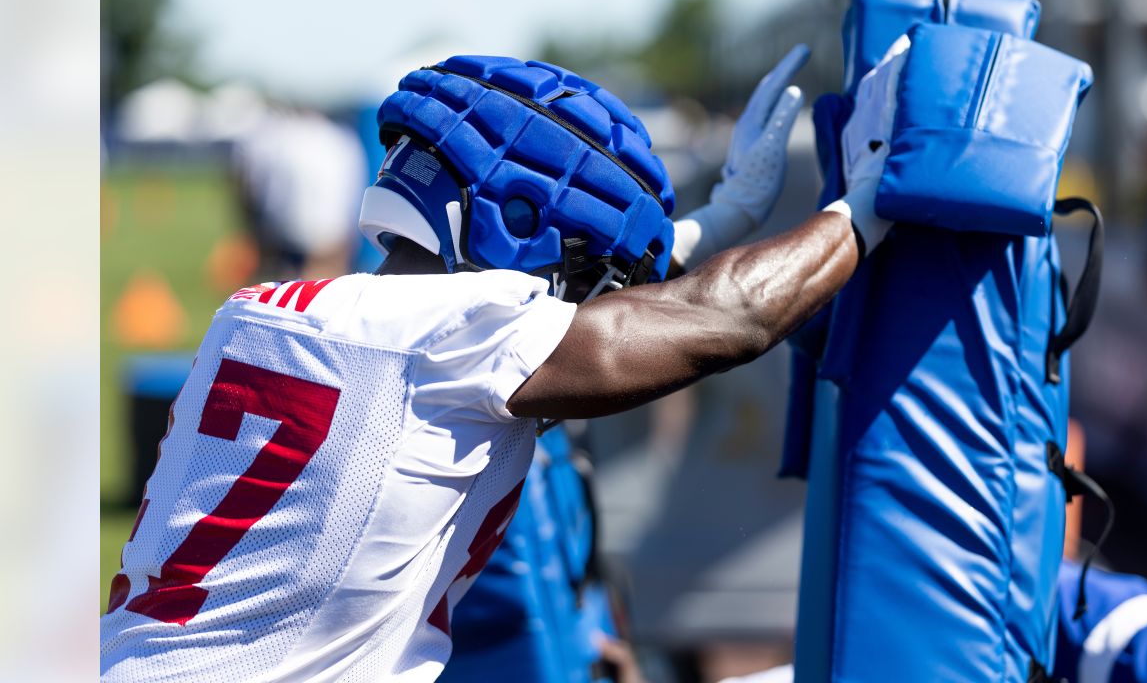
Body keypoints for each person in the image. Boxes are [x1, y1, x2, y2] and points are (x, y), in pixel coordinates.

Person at [100, 45, 900, 681]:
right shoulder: (456, 336)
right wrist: (867, 198)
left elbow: (568, 326)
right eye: (587, 263)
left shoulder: (267, 315)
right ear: (514, 226)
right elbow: (724, 320)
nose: (593, 289)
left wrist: (720, 218)